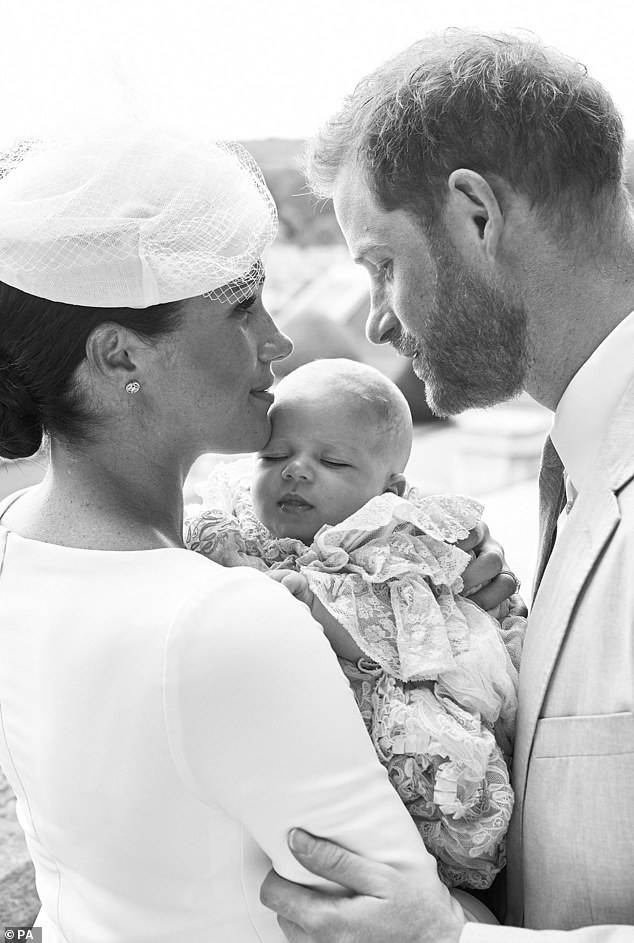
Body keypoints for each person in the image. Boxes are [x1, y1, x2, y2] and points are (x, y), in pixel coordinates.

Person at [0, 125, 513, 942]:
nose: (277, 340)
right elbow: (411, 918)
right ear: (118, 355)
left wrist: (425, 579)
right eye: (243, 310)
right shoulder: (231, 615)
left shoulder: (18, 540)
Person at [259, 29, 634, 942]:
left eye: (381, 264)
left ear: (475, 214)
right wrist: (494, 659)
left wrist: (450, 939)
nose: (378, 320)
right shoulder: (576, 472)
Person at [185, 357, 526, 892]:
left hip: (392, 708)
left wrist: (303, 603)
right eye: (274, 455)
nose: (296, 470)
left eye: (335, 462)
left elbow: (391, 634)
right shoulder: (234, 524)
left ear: (390, 488)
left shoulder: (388, 545)